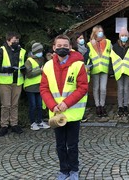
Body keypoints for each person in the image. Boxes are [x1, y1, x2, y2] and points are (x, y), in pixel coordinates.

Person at [40, 34, 88, 180]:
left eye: (65, 46)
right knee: (60, 145)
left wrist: (66, 103)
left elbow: (82, 87)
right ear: (54, 48)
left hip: (73, 113)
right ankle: (63, 170)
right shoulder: (48, 66)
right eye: (59, 46)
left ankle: (74, 170)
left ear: (70, 47)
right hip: (56, 114)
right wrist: (52, 105)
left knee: (72, 145)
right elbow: (44, 88)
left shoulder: (78, 64)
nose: (62, 48)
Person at [0, 32, 26, 136]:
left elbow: (24, 64)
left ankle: (14, 124)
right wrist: (6, 70)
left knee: (14, 104)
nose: (16, 42)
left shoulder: (22, 51)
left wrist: (25, 69)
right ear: (8, 41)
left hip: (17, 81)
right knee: (6, 105)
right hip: (5, 82)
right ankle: (4, 125)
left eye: (17, 41)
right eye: (14, 41)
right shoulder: (1, 51)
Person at [110, 27, 129, 117]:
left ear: (128, 36)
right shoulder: (114, 47)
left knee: (126, 89)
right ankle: (120, 107)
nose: (124, 37)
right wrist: (111, 72)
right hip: (118, 71)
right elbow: (111, 59)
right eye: (122, 35)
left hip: (127, 71)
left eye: (125, 35)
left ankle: (125, 106)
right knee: (120, 89)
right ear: (119, 36)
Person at [24, 42, 50, 131]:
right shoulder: (29, 61)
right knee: (33, 106)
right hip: (30, 86)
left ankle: (40, 121)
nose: (41, 52)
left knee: (39, 105)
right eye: (40, 51)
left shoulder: (41, 59)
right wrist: (40, 70)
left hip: (39, 86)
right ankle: (32, 123)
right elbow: (29, 74)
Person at [87, 25, 111, 117]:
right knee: (96, 88)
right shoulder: (89, 44)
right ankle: (98, 106)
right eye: (99, 31)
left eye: (102, 31)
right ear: (95, 33)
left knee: (103, 88)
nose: (101, 33)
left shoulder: (108, 42)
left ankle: (102, 105)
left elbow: (112, 54)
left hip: (104, 68)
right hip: (95, 69)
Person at [71, 32, 91, 122]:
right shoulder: (73, 51)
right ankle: (79, 115)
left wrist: (90, 66)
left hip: (86, 75)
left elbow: (90, 61)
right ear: (75, 40)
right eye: (79, 38)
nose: (81, 40)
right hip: (76, 76)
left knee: (84, 96)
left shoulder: (87, 49)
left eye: (82, 38)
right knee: (76, 95)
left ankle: (82, 112)